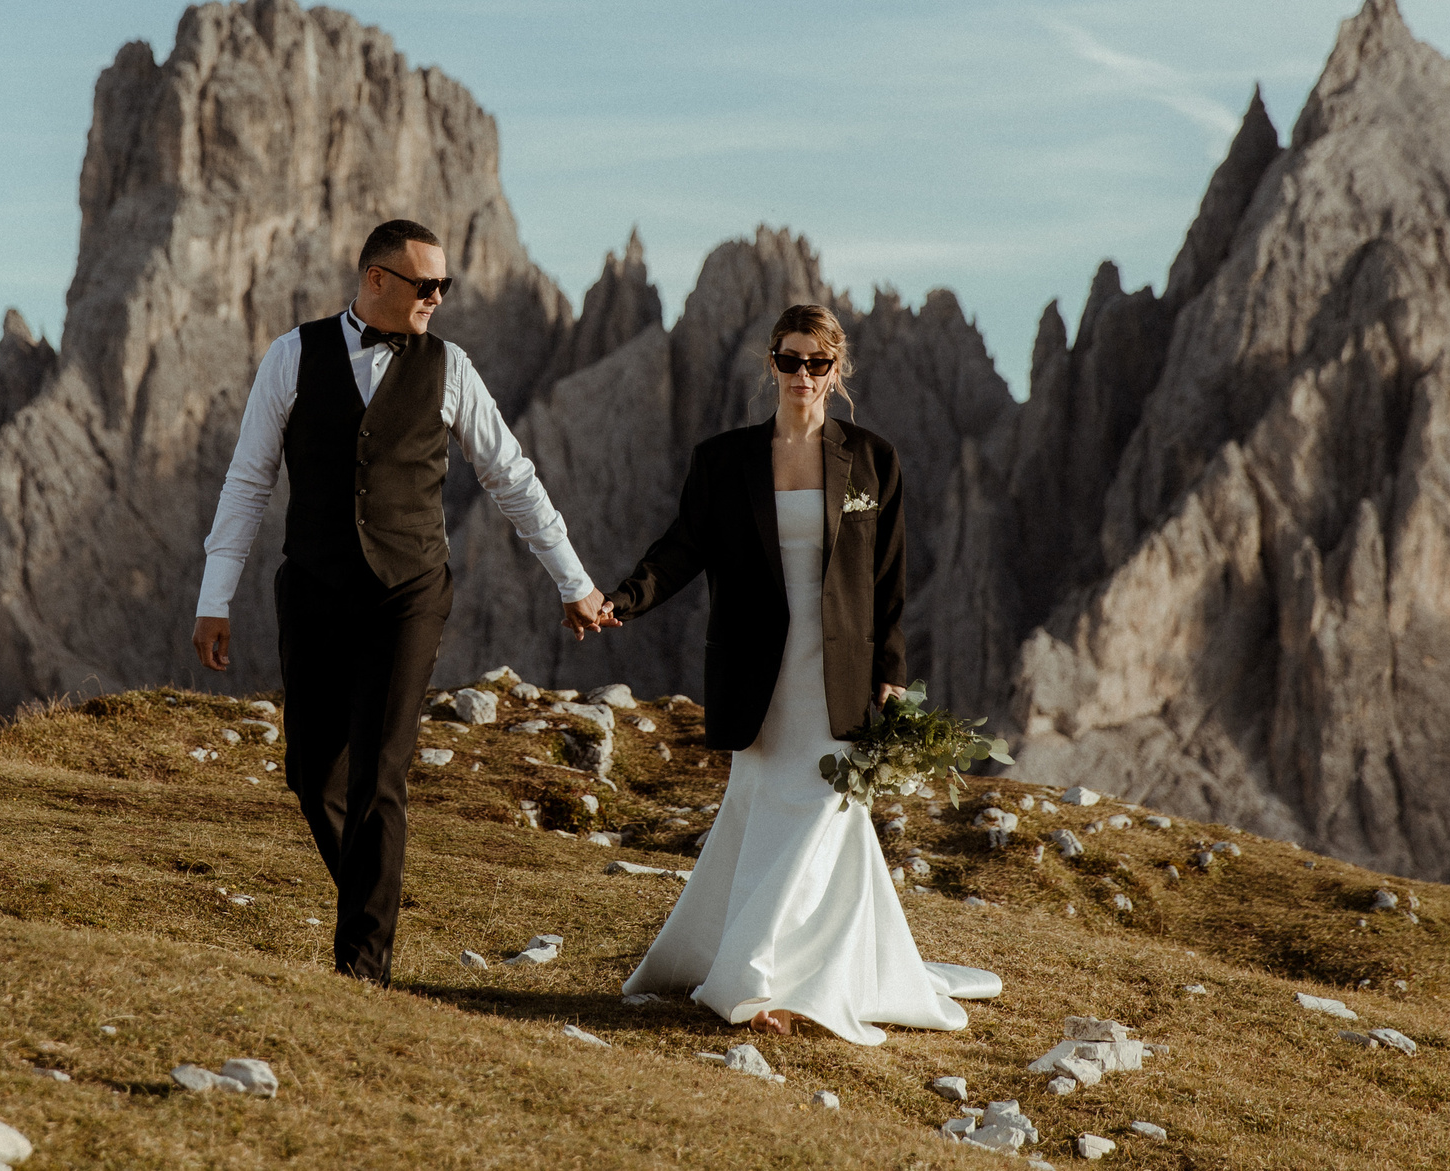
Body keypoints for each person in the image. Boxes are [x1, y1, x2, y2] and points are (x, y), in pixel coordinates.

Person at [191, 218, 614, 983]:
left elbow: (510, 476)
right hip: (313, 588)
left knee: (378, 770)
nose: (438, 299)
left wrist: (574, 580)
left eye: (445, 286)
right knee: (310, 770)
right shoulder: (290, 355)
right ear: (376, 279)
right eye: (426, 285)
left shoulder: (452, 368)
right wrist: (214, 597)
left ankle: (364, 965)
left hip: (409, 591)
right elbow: (248, 479)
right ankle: (371, 893)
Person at [601, 302, 1000, 1043]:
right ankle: (765, 973)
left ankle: (764, 981)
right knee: (764, 812)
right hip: (759, 676)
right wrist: (622, 600)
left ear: (837, 369)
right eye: (790, 360)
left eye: (819, 363)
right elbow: (681, 547)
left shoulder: (874, 459)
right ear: (771, 364)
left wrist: (890, 673)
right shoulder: (723, 460)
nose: (804, 375)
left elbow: (890, 582)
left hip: (840, 675)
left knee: (822, 815)